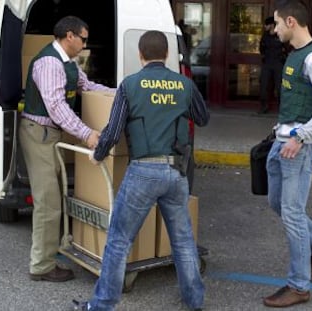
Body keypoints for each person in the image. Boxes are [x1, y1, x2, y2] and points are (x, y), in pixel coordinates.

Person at [72, 30, 209, 311]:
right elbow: (202, 118)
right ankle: (195, 302)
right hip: (176, 172)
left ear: (141, 55)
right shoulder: (184, 84)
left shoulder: (130, 85)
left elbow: (113, 130)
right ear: (167, 55)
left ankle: (100, 306)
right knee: (183, 242)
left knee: (119, 242)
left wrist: (98, 154)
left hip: (143, 172)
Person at [19, 16, 114, 283]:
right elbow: (57, 108)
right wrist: (87, 134)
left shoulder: (67, 63)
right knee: (48, 202)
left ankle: (52, 250)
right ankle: (41, 266)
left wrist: (119, 93)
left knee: (56, 195)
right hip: (40, 134)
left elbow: (88, 87)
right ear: (69, 36)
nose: (85, 44)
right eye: (84, 39)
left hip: (50, 134)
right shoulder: (49, 63)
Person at [263, 0, 312, 308]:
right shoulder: (295, 55)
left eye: (277, 24)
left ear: (291, 22)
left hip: (298, 146)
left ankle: (299, 286)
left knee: (293, 214)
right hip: (282, 141)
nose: (274, 30)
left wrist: (299, 136)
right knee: (279, 204)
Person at [258, 16, 286, 114]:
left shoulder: (280, 35)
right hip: (267, 63)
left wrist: (282, 57)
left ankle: (282, 109)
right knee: (263, 86)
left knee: (279, 87)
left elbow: (286, 48)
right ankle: (264, 107)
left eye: (266, 25)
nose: (265, 26)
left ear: (271, 25)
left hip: (278, 63)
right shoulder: (265, 36)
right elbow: (261, 48)